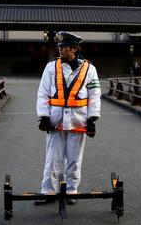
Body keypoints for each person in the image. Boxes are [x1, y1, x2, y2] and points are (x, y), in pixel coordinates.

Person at [35, 31, 101, 205]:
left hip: (78, 120)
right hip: (55, 121)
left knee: (74, 159)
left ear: (74, 48)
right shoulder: (51, 67)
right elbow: (43, 93)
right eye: (59, 47)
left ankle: (71, 191)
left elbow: (94, 95)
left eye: (63, 47)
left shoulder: (89, 69)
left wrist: (92, 119)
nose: (60, 50)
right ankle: (49, 192)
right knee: (53, 159)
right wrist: (43, 117)